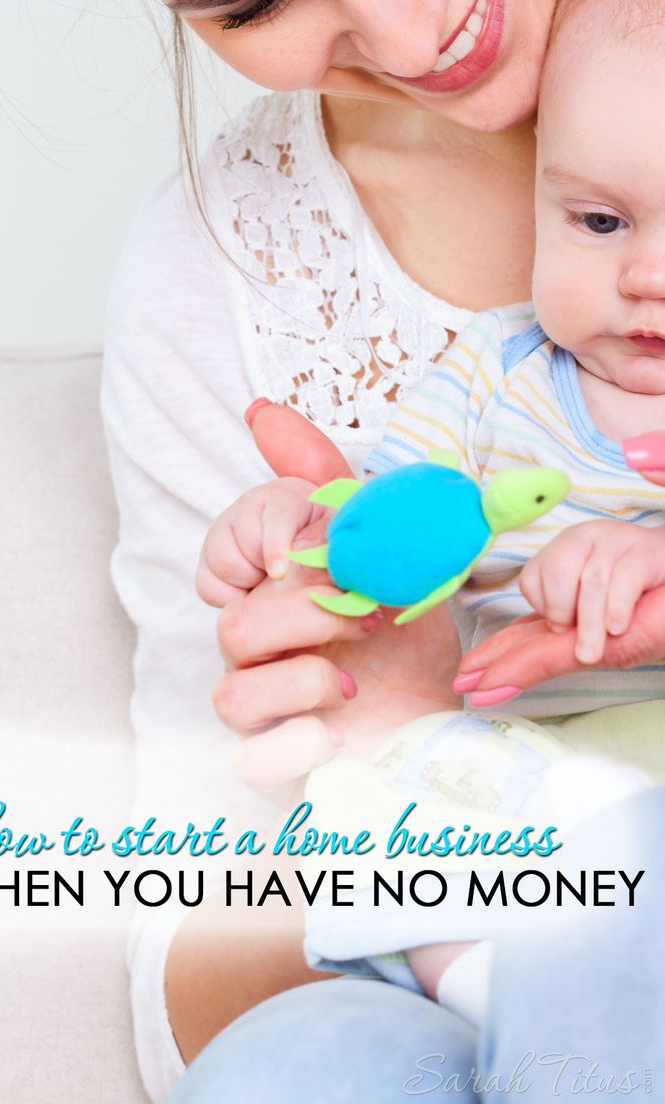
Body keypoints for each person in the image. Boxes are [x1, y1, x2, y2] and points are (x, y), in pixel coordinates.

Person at [101, 0, 665, 1100]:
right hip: (441, 894)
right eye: (254, 0)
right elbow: (181, 904)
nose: (415, 43)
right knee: (294, 1068)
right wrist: (331, 617)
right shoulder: (241, 273)